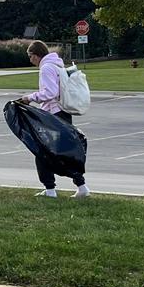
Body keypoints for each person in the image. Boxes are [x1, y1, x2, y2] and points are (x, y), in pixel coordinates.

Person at [20, 40, 90, 199]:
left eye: (30, 56)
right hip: (63, 112)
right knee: (66, 151)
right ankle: (81, 185)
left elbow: (50, 92)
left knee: (42, 151)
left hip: (52, 114)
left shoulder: (45, 68)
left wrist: (30, 97)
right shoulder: (57, 65)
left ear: (36, 55)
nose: (30, 60)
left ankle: (50, 189)